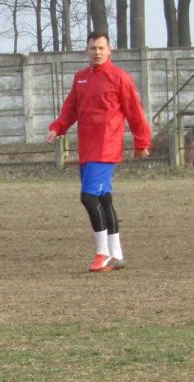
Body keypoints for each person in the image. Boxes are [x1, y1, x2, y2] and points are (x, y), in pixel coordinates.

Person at [46, 31, 152, 273]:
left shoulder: (119, 78)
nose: (97, 52)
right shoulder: (81, 78)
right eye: (93, 48)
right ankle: (117, 254)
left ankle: (102, 253)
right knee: (103, 200)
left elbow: (135, 111)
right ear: (87, 51)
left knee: (88, 197)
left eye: (101, 48)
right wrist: (57, 127)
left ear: (109, 50)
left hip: (106, 147)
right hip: (87, 148)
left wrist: (142, 142)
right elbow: (71, 108)